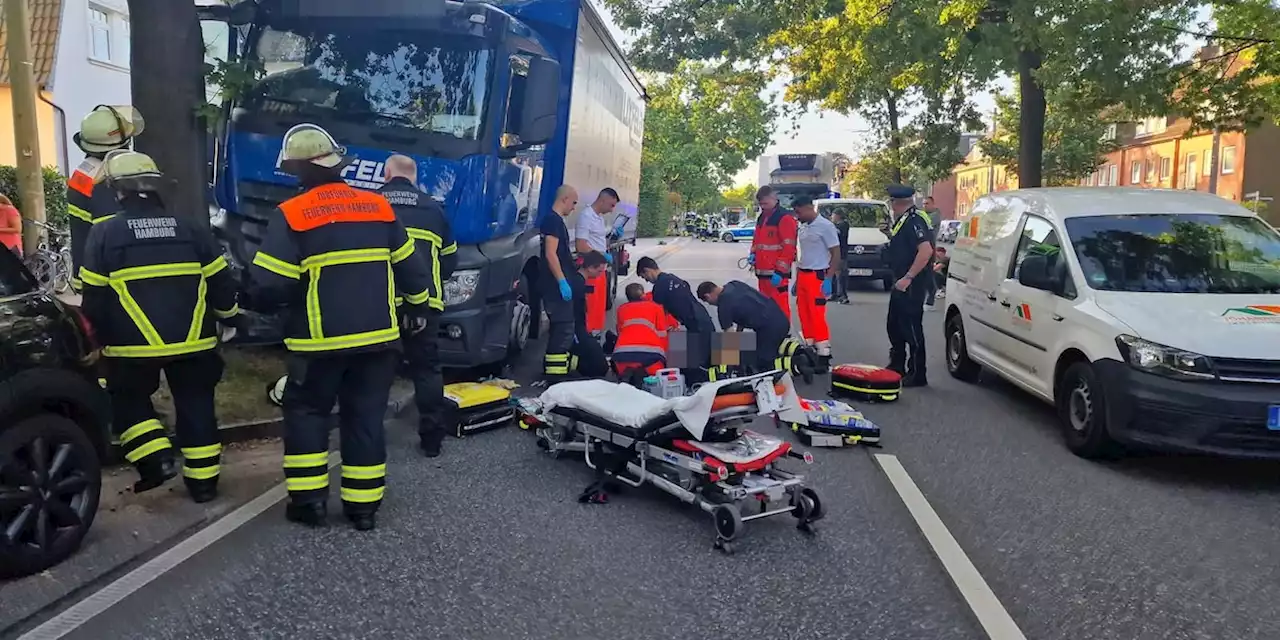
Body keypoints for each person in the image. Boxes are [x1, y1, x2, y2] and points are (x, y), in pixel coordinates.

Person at [248, 124, 435, 531]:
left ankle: (310, 504)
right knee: (365, 418)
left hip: (318, 344)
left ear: (298, 170)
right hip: (378, 342)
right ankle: (363, 509)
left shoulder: (292, 214)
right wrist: (418, 311)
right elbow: (415, 274)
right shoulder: (379, 208)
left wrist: (258, 307)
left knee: (308, 414)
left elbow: (269, 284)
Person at [78, 150, 241, 503]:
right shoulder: (192, 229)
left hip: (130, 347)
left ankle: (156, 461)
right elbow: (222, 284)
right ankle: (203, 485)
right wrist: (229, 318)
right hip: (194, 343)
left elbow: (93, 298)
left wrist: (98, 341)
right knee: (196, 407)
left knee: (127, 400)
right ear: (155, 187)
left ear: (117, 191)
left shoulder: (104, 235)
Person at [377, 154, 452, 458]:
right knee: (427, 371)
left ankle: (369, 435)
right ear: (415, 178)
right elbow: (450, 261)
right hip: (427, 304)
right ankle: (432, 439)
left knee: (377, 371)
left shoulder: (373, 204)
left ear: (386, 174)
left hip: (382, 303)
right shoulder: (435, 209)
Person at [67, 105, 145, 291]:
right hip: (114, 280)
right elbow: (115, 233)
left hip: (88, 273)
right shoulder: (107, 181)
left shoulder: (82, 175)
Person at [883, 185, 934, 387]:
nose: (891, 206)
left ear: (897, 203)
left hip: (911, 284)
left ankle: (917, 372)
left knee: (911, 328)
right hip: (900, 281)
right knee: (894, 325)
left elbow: (926, 250)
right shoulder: (903, 220)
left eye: (892, 203)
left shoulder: (915, 220)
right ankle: (897, 365)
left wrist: (909, 277)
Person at [637, 256, 715, 381]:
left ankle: (706, 386)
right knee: (708, 358)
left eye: (643, 276)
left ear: (647, 270)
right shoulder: (672, 278)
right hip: (702, 319)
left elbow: (658, 316)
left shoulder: (659, 288)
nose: (646, 280)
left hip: (697, 326)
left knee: (697, 364)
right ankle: (715, 380)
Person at [696, 280, 791, 374]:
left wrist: (729, 365)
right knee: (756, 348)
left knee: (762, 363)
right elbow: (742, 315)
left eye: (708, 302)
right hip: (780, 318)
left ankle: (796, 364)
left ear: (707, 296)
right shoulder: (734, 284)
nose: (710, 304)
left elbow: (730, 338)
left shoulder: (723, 306)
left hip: (771, 330)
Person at [539, 185, 581, 382]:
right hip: (555, 287)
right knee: (563, 329)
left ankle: (556, 373)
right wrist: (562, 281)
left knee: (561, 330)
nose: (574, 208)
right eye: (573, 203)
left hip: (556, 285)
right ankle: (555, 378)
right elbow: (550, 253)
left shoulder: (555, 221)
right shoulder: (553, 221)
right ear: (564, 199)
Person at [791, 197, 840, 366]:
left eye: (799, 212)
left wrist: (829, 278)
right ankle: (810, 348)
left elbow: (836, 253)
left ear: (809, 208)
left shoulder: (826, 226)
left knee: (817, 315)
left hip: (817, 276)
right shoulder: (803, 227)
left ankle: (824, 354)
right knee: (804, 313)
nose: (797, 216)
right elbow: (802, 255)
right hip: (804, 275)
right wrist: (797, 280)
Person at [748, 185, 798, 321]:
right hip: (762, 272)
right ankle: (770, 332)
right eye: (760, 204)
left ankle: (784, 334)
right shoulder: (762, 217)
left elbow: (789, 248)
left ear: (774, 199)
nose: (763, 206)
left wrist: (780, 271)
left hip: (776, 274)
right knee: (765, 306)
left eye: (765, 203)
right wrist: (753, 254)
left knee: (780, 305)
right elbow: (757, 240)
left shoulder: (784, 218)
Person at [612, 282, 677, 384]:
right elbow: (662, 336)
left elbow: (620, 332)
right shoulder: (656, 307)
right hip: (651, 357)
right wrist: (666, 361)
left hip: (622, 357)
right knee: (655, 382)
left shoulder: (621, 309)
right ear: (643, 295)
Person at [574, 188, 619, 335]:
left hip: (599, 271)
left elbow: (596, 240)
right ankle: (587, 337)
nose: (612, 210)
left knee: (599, 308)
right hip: (591, 271)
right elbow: (581, 245)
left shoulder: (598, 217)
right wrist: (602, 256)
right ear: (603, 200)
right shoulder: (586, 216)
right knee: (590, 308)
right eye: (611, 205)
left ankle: (595, 336)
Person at [569, 251, 611, 378]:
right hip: (575, 328)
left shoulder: (578, 281)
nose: (600, 275)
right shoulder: (578, 284)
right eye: (599, 271)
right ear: (590, 267)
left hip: (578, 327)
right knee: (599, 365)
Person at [922, 196, 943, 309]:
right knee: (923, 273)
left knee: (928, 274)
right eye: (924, 204)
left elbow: (925, 225)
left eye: (927, 203)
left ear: (933, 204)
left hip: (929, 248)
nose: (925, 206)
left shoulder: (935, 216)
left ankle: (931, 298)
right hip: (921, 247)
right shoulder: (924, 215)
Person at [830, 210, 850, 304]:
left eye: (833, 215)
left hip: (841, 254)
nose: (832, 217)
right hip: (834, 254)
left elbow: (836, 232)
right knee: (834, 275)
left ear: (838, 216)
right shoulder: (836, 225)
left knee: (840, 276)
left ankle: (843, 296)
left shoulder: (843, 225)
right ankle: (834, 294)